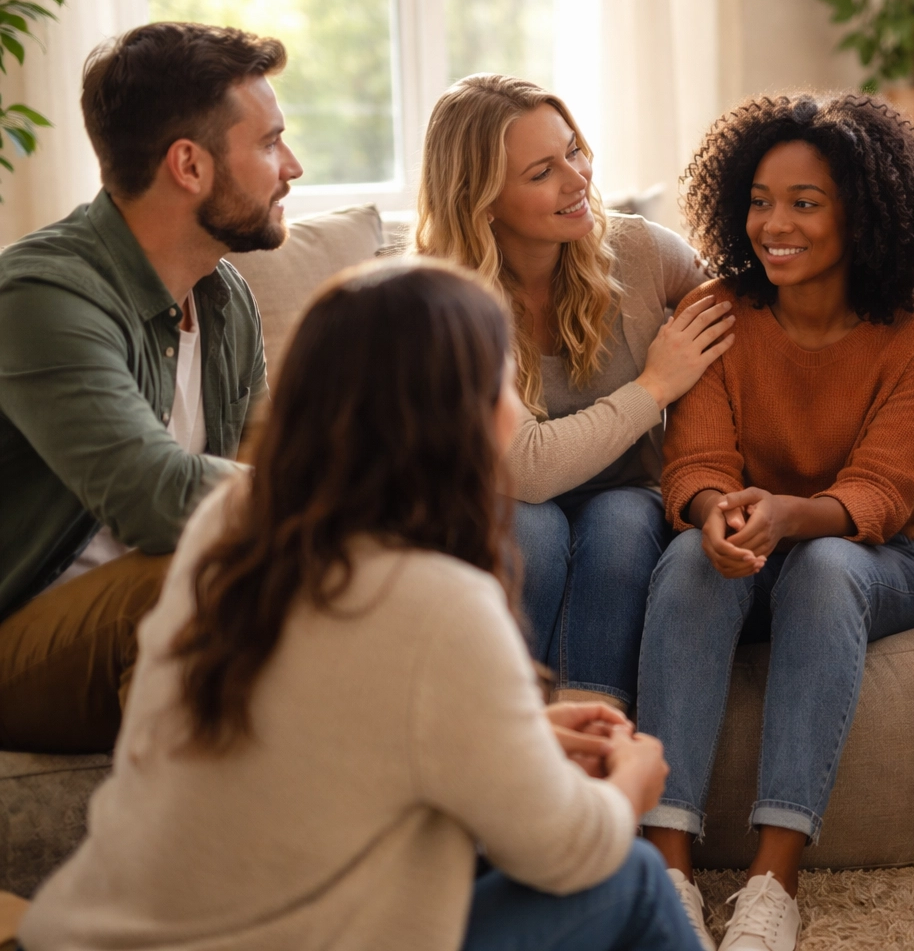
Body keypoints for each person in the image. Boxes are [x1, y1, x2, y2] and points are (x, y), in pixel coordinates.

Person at [20, 260, 702, 951]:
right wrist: (634, 785)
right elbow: (565, 851)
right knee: (631, 876)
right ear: (451, 414)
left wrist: (512, 731)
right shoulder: (443, 603)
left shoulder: (230, 521)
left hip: (83, 936)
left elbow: (322, 730)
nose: (517, 408)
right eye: (503, 381)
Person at [637, 94, 914, 951]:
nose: (773, 224)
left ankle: (773, 881)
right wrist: (715, 514)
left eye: (805, 203)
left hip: (873, 559)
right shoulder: (716, 311)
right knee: (685, 560)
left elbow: (883, 496)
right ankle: (666, 868)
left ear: (864, 214)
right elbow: (697, 464)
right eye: (760, 200)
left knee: (824, 566)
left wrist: (787, 515)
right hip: (751, 539)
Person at [0, 22, 300, 752]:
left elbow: (274, 461)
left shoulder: (224, 297)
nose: (292, 165)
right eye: (268, 143)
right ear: (189, 166)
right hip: (26, 629)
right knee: (194, 582)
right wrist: (332, 504)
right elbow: (156, 499)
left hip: (155, 606)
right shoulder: (40, 296)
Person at [414, 75, 732, 714]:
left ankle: (594, 741)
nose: (576, 178)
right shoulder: (437, 298)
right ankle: (507, 730)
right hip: (496, 502)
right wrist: (655, 387)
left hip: (621, 497)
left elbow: (751, 322)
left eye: (575, 150)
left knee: (624, 520)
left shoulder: (638, 252)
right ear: (481, 198)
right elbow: (523, 470)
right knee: (531, 529)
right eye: (541, 172)